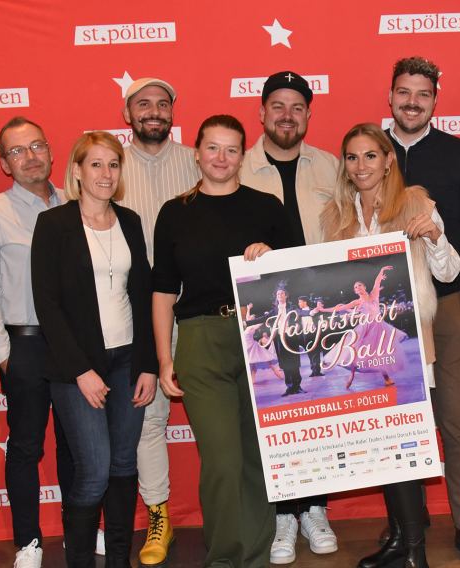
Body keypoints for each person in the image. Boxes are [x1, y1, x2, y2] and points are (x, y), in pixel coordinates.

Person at [321, 122, 460, 568]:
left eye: (370, 156)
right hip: (360, 352)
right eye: (352, 157)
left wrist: (436, 238)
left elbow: (450, 273)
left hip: (406, 349)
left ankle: (415, 552)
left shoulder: (415, 202)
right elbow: (324, 284)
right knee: (381, 450)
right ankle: (402, 539)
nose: (360, 165)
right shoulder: (334, 218)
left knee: (403, 448)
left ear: (387, 161)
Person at [152, 114, 290, 568]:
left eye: (232, 150)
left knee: (257, 457)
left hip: (261, 337)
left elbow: (299, 278)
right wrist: (162, 358)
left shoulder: (268, 206)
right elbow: (163, 291)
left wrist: (270, 260)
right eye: (212, 148)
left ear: (242, 155)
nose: (221, 158)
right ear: (196, 152)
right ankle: (227, 559)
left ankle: (256, 555)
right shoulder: (174, 212)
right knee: (223, 461)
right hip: (200, 340)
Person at [385, 56, 460, 568]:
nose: (412, 102)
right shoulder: (369, 152)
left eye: (422, 94)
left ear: (434, 101)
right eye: (404, 92)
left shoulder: (457, 152)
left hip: (448, 305)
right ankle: (404, 524)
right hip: (382, 316)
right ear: (390, 96)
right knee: (393, 418)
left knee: (454, 418)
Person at [31, 131, 158, 567]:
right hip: (76, 369)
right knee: (95, 469)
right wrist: (81, 371)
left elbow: (142, 297)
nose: (106, 174)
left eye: (113, 164)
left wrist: (149, 365)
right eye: (96, 164)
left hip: (128, 362)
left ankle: (119, 560)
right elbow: (46, 305)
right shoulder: (53, 225)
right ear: (78, 171)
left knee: (124, 465)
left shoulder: (131, 221)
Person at [239, 70, 339, 564]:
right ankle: (281, 514)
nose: (286, 115)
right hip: (266, 310)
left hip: (317, 309)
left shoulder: (331, 166)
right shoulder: (238, 167)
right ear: (261, 112)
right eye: (277, 105)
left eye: (297, 107)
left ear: (307, 115)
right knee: (277, 410)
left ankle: (315, 507)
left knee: (317, 405)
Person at [0, 116, 73, 568]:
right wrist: (5, 355)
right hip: (25, 346)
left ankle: (80, 532)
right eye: (18, 150)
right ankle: (28, 542)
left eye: (37, 146)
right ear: (3, 162)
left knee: (76, 445)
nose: (31, 157)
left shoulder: (76, 204)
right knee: (27, 447)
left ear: (51, 151)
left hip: (72, 346)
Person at [117, 76, 200, 565]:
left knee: (224, 416)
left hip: (198, 311)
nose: (154, 111)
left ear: (173, 110)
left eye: (162, 103)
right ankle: (158, 517)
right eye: (143, 103)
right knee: (149, 419)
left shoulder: (196, 160)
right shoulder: (110, 165)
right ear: (128, 113)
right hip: (137, 315)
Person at [321, 267, 409, 390]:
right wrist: (323, 309)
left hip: (379, 327)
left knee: (381, 354)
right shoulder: (357, 302)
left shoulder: (374, 294)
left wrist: (382, 270)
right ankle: (351, 376)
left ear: (364, 287)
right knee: (356, 353)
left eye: (360, 285)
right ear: (355, 291)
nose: (358, 288)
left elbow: (377, 282)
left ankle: (387, 379)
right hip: (365, 329)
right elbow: (339, 308)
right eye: (356, 287)